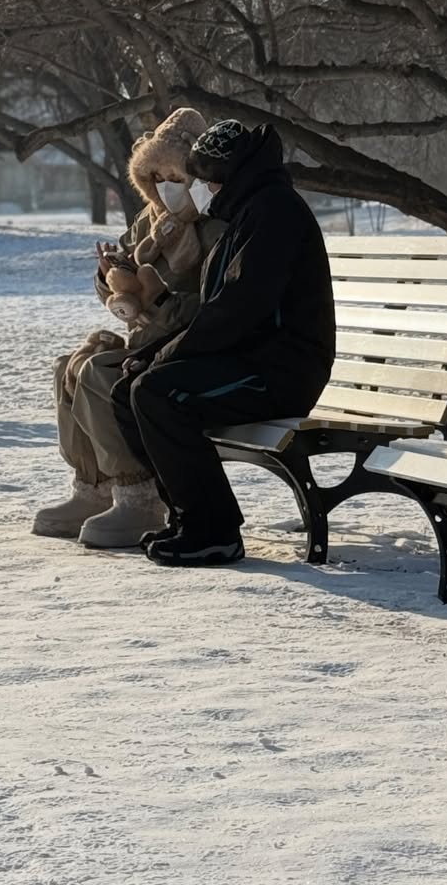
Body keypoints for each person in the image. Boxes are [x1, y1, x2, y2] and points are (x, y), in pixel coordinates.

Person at [111, 118, 335, 567]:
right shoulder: (246, 214)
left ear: (230, 177)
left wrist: (165, 357)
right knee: (128, 391)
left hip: (279, 371)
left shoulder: (274, 214)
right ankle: (188, 518)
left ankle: (214, 532)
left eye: (209, 180)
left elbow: (237, 310)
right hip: (248, 360)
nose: (204, 190)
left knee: (160, 394)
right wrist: (152, 354)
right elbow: (219, 310)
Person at [32, 108, 228, 549]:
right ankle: (93, 487)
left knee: (102, 371)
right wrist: (111, 278)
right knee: (71, 363)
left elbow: (212, 308)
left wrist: (150, 295)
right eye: (154, 176)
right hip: (150, 339)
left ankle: (138, 494)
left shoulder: (216, 226)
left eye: (173, 175)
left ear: (194, 175)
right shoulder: (150, 221)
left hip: (185, 349)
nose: (163, 186)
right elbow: (122, 281)